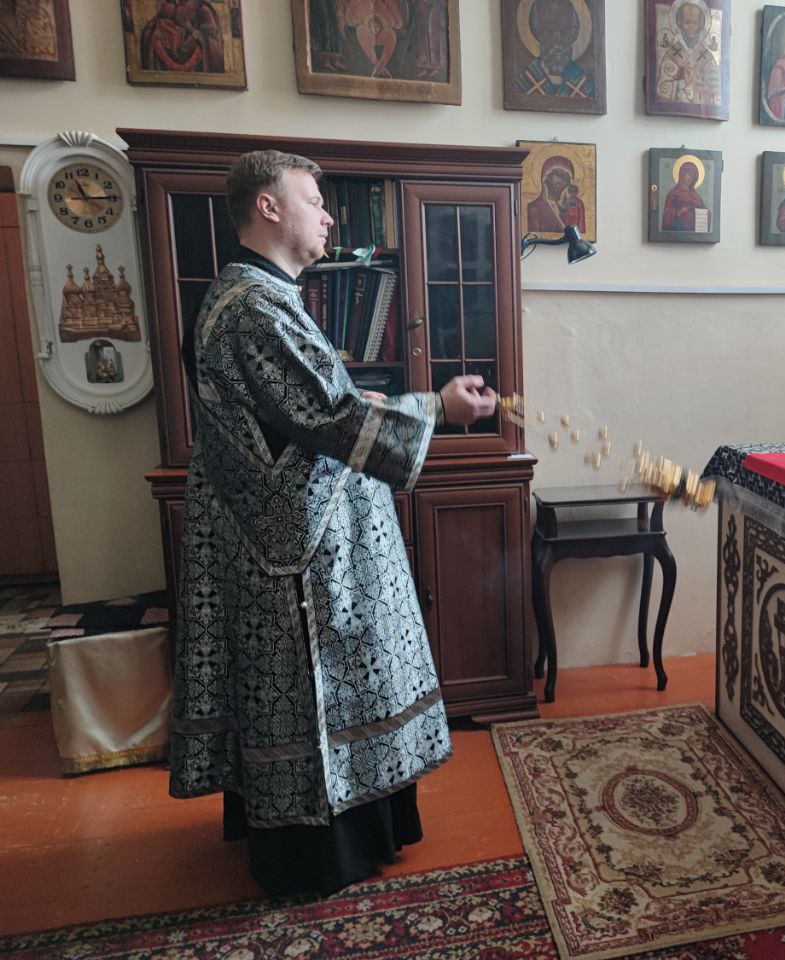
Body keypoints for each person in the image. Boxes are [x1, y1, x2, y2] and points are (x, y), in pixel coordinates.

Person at [168, 149, 496, 896]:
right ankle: (318, 854)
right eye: (313, 200)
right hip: (296, 557)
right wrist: (437, 407)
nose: (327, 215)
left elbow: (306, 407)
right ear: (268, 207)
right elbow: (329, 416)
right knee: (317, 686)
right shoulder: (252, 307)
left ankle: (351, 832)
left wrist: (378, 401)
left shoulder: (261, 294)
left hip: (301, 536)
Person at [515, 0, 595, 100]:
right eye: (550, 32)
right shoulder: (524, 82)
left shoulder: (586, 86)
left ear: (574, 34)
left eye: (564, 32)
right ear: (537, 33)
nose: (558, 40)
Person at [656, 1, 721, 107]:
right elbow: (663, 87)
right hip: (676, 108)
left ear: (701, 25)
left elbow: (715, 92)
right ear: (679, 23)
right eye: (687, 22)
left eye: (695, 23)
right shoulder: (672, 53)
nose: (691, 26)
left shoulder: (707, 56)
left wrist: (697, 90)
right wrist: (682, 85)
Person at [526, 155, 573, 233]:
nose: (561, 182)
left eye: (566, 179)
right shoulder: (534, 208)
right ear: (546, 176)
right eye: (559, 175)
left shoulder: (571, 209)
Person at [662, 160, 707, 232]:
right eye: (689, 174)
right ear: (682, 173)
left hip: (694, 233)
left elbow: (703, 212)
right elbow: (666, 217)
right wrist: (679, 212)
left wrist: (707, 213)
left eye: (693, 176)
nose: (690, 178)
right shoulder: (673, 194)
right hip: (679, 231)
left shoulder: (697, 197)